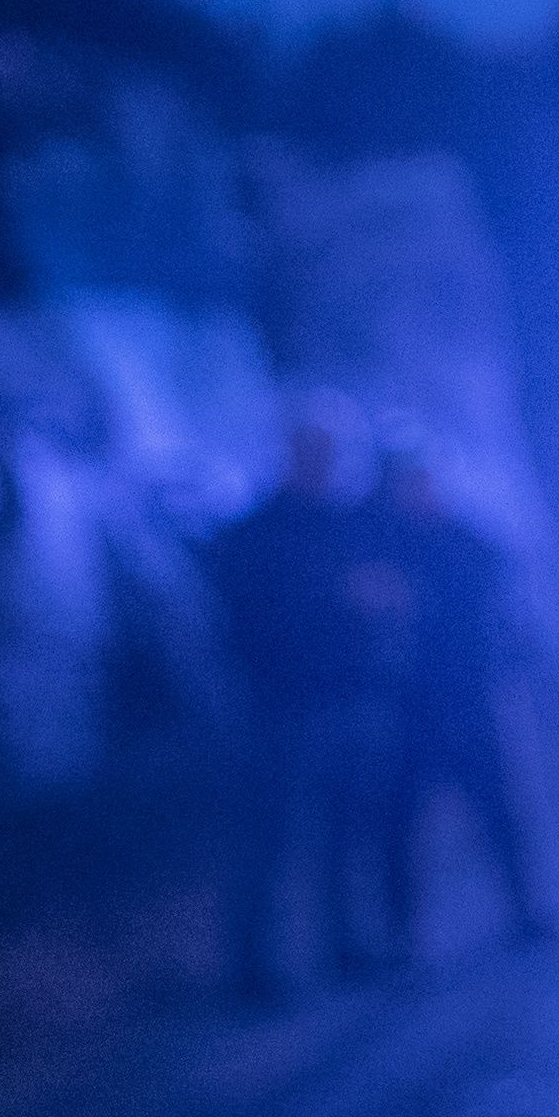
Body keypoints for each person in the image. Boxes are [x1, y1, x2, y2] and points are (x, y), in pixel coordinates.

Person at [206, 407, 406, 1001]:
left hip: (351, 696)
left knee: (344, 828)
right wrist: (340, 599)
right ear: (292, 455)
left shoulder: (346, 526)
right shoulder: (256, 533)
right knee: (271, 836)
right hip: (285, 705)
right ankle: (254, 967)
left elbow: (380, 594)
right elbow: (250, 617)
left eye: (330, 453)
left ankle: (344, 943)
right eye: (313, 451)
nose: (323, 463)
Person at [368, 444, 551, 954]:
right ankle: (405, 934)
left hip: (471, 699)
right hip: (413, 706)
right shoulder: (386, 545)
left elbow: (493, 594)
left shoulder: (464, 541)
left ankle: (526, 907)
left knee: (501, 808)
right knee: (403, 822)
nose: (417, 493)